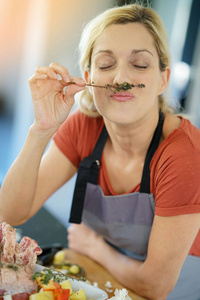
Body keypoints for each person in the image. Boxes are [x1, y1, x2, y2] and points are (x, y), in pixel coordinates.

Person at [0, 3, 200, 299]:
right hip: (101, 280)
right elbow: (10, 213)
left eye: (140, 64)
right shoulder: (84, 126)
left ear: (163, 79)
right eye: (106, 65)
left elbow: (156, 286)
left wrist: (96, 248)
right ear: (88, 77)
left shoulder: (185, 156)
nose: (120, 77)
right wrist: (40, 130)